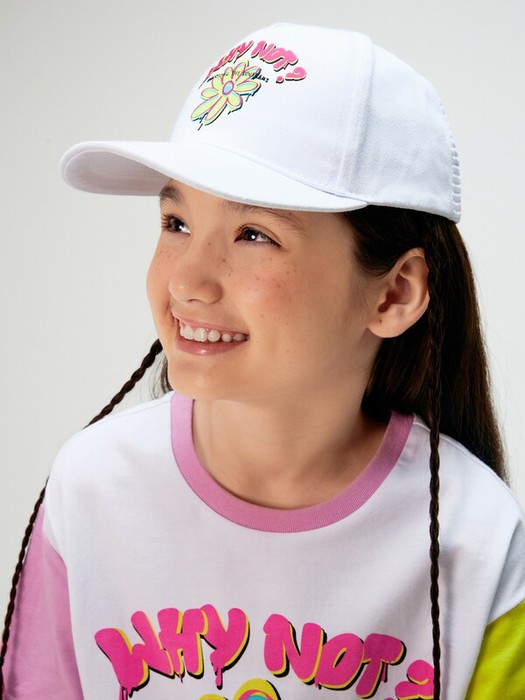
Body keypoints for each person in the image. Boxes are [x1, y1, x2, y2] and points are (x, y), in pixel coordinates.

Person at [1, 22, 524, 700]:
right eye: (176, 223)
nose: (188, 281)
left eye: (254, 234)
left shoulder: (476, 536)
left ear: (394, 293)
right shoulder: (92, 490)